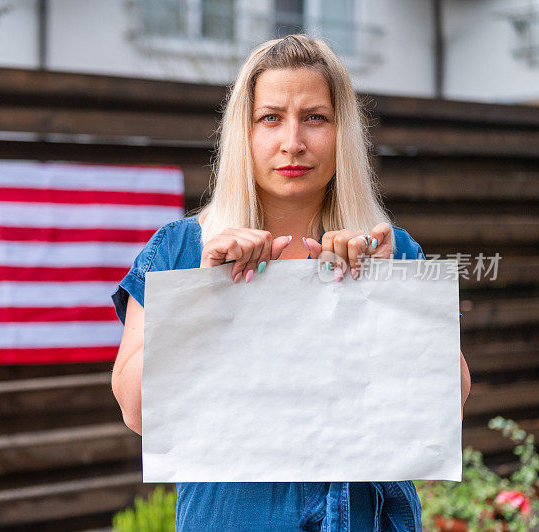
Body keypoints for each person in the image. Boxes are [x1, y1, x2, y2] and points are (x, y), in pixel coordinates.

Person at [110, 34, 472, 531]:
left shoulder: (392, 247)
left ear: (342, 131)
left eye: (315, 117)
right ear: (245, 131)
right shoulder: (179, 249)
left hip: (367, 517)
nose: (293, 142)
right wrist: (205, 292)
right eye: (271, 117)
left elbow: (449, 397)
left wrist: (390, 289)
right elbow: (136, 410)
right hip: (232, 519)